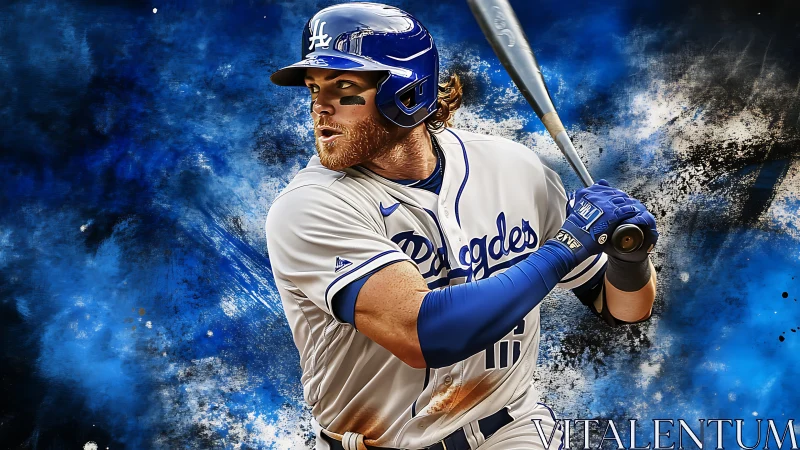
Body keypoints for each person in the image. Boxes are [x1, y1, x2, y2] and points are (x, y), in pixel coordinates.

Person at [265, 3, 658, 449]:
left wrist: (630, 258)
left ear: (406, 92)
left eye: (344, 88)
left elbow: (623, 308)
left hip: (512, 429)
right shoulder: (311, 206)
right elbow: (424, 333)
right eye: (314, 90)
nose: (320, 109)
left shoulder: (513, 168)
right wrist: (570, 244)